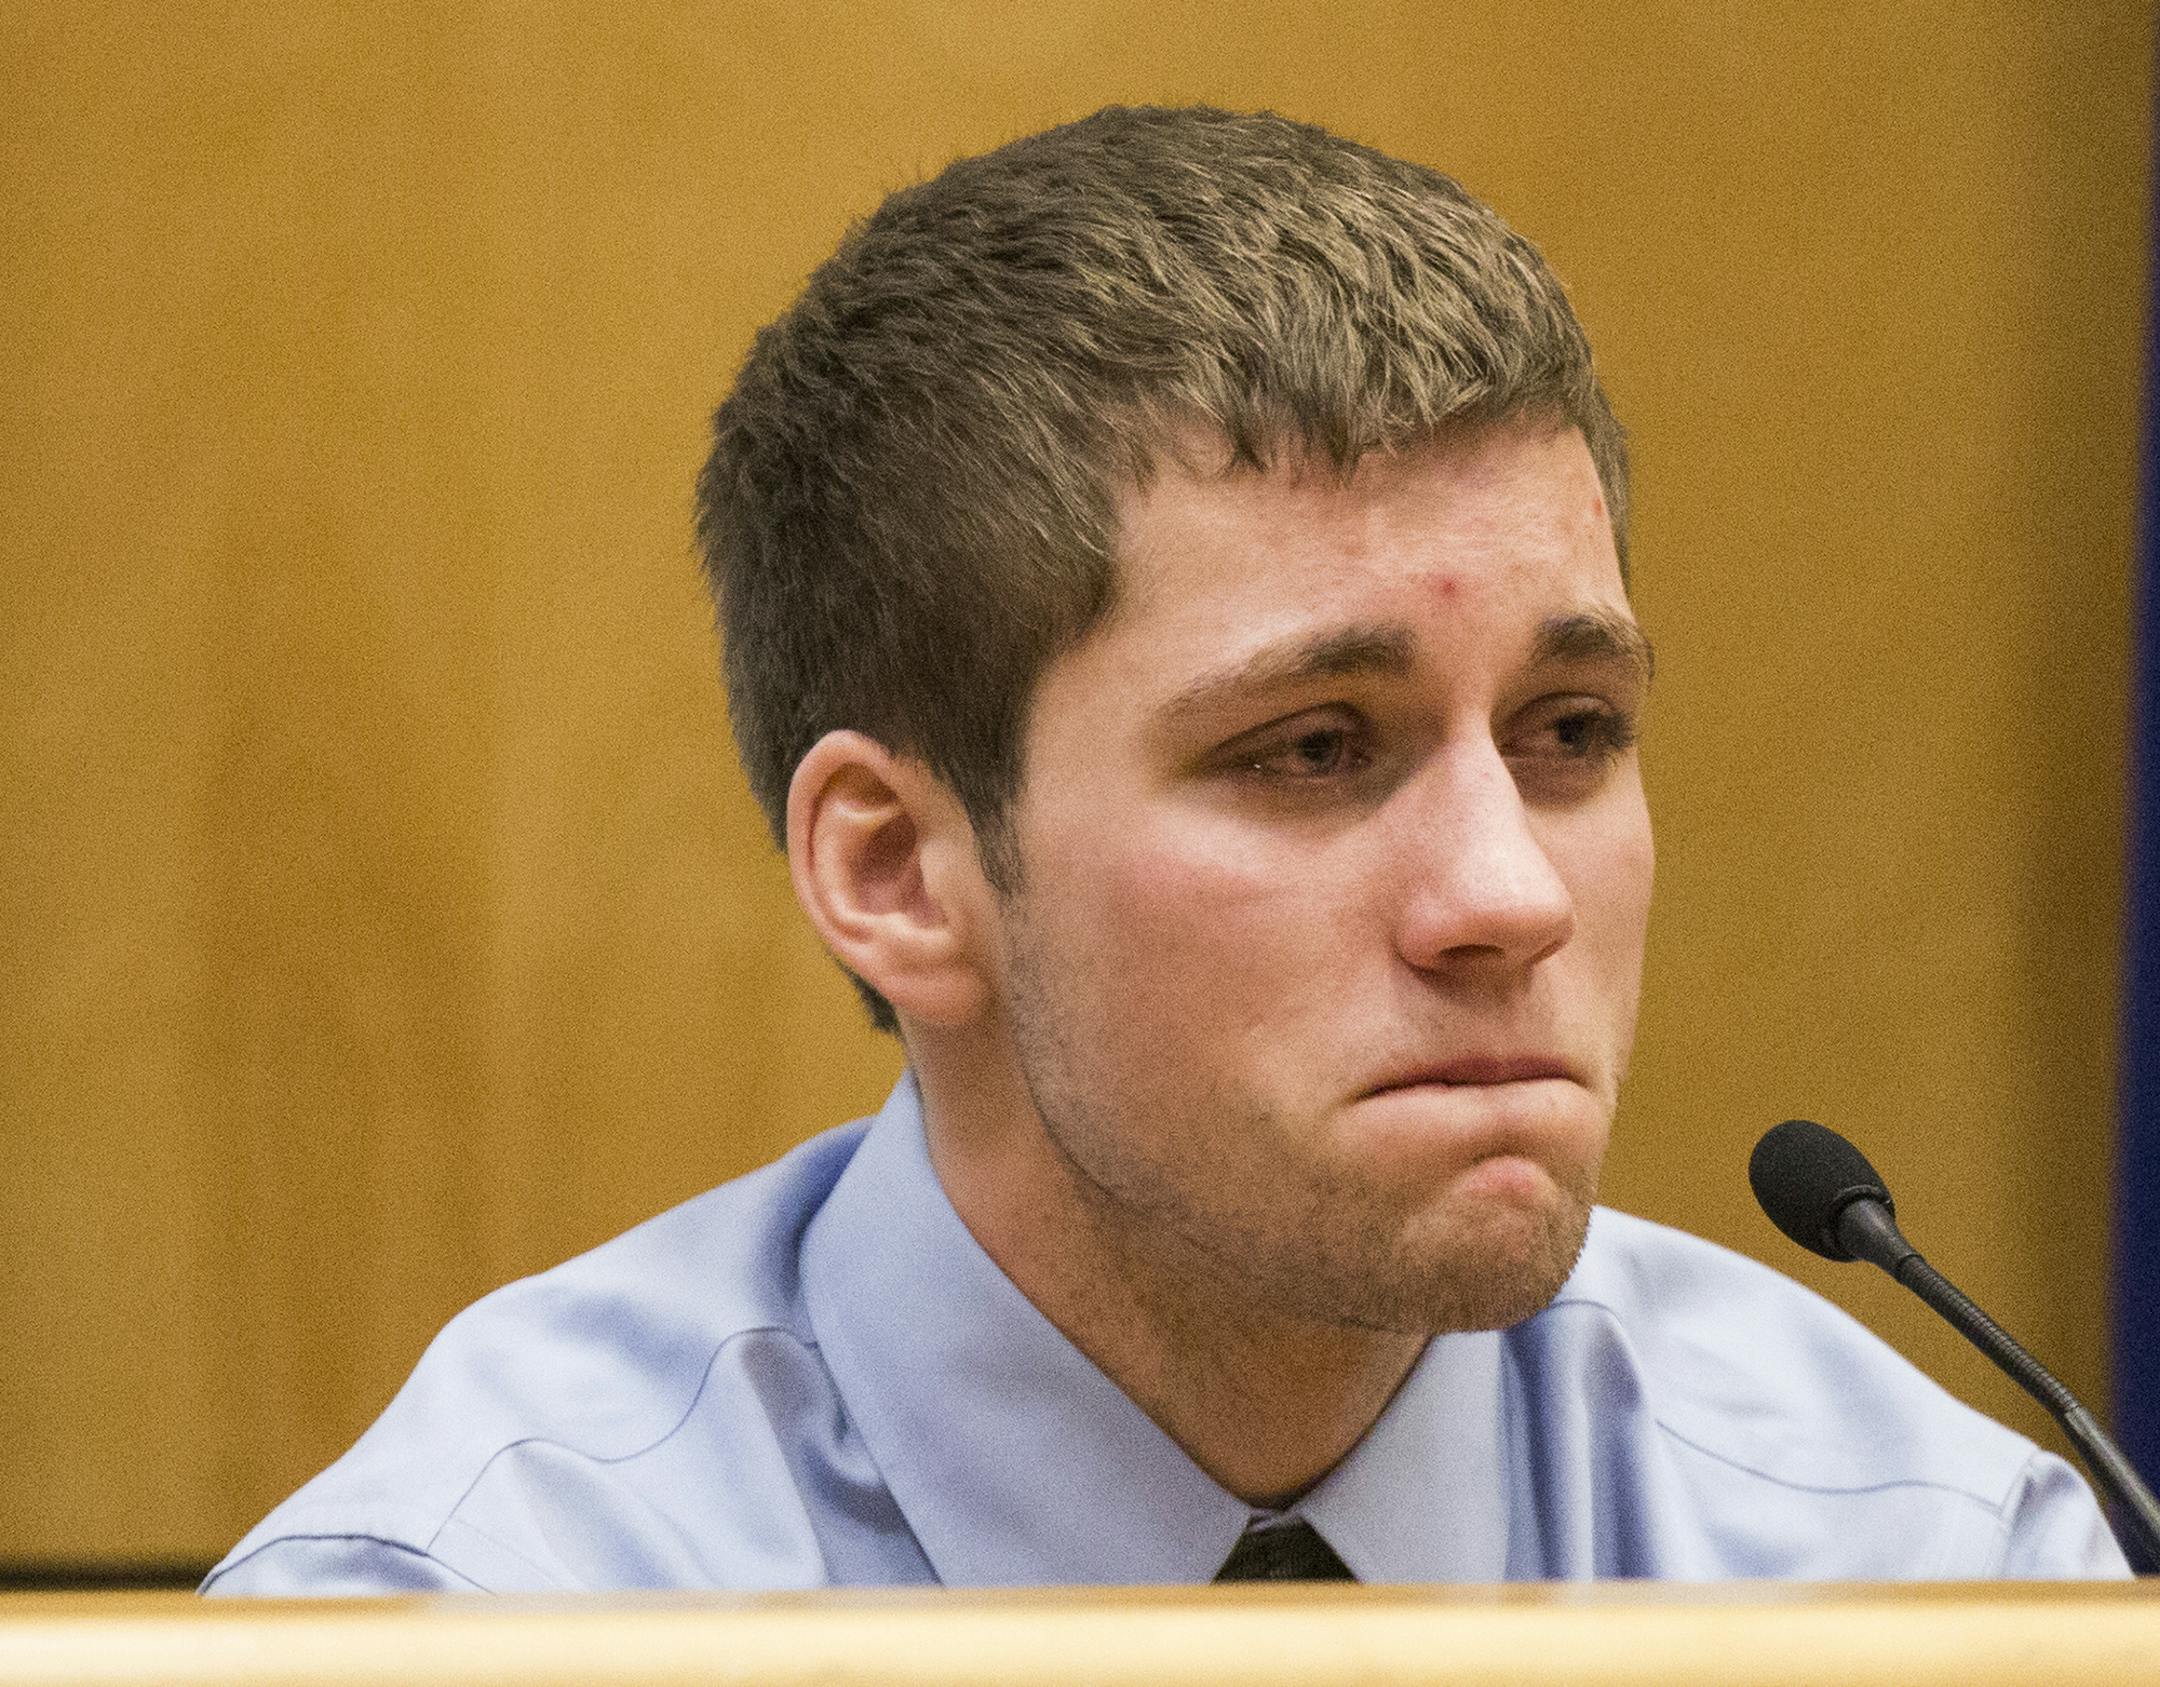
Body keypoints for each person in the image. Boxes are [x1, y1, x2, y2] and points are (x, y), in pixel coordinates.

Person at [205, 105, 2129, 1594]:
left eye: (1570, 734)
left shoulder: (1927, 1570)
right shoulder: (479, 1619)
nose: (1512, 896)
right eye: (1311, 749)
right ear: (897, 873)